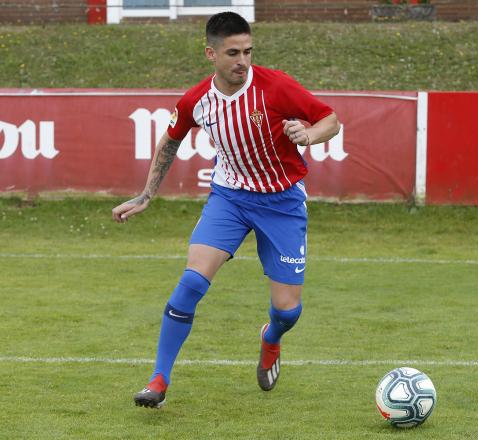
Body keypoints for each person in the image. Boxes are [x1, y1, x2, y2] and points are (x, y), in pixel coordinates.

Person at [111, 11, 340, 409]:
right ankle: (159, 379)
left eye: (248, 51)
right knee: (192, 282)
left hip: (282, 202)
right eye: (233, 52)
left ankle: (271, 338)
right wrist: (146, 194)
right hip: (230, 199)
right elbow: (169, 141)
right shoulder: (197, 100)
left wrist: (309, 134)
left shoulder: (276, 86)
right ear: (210, 53)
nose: (243, 61)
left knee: (289, 311)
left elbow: (330, 120)